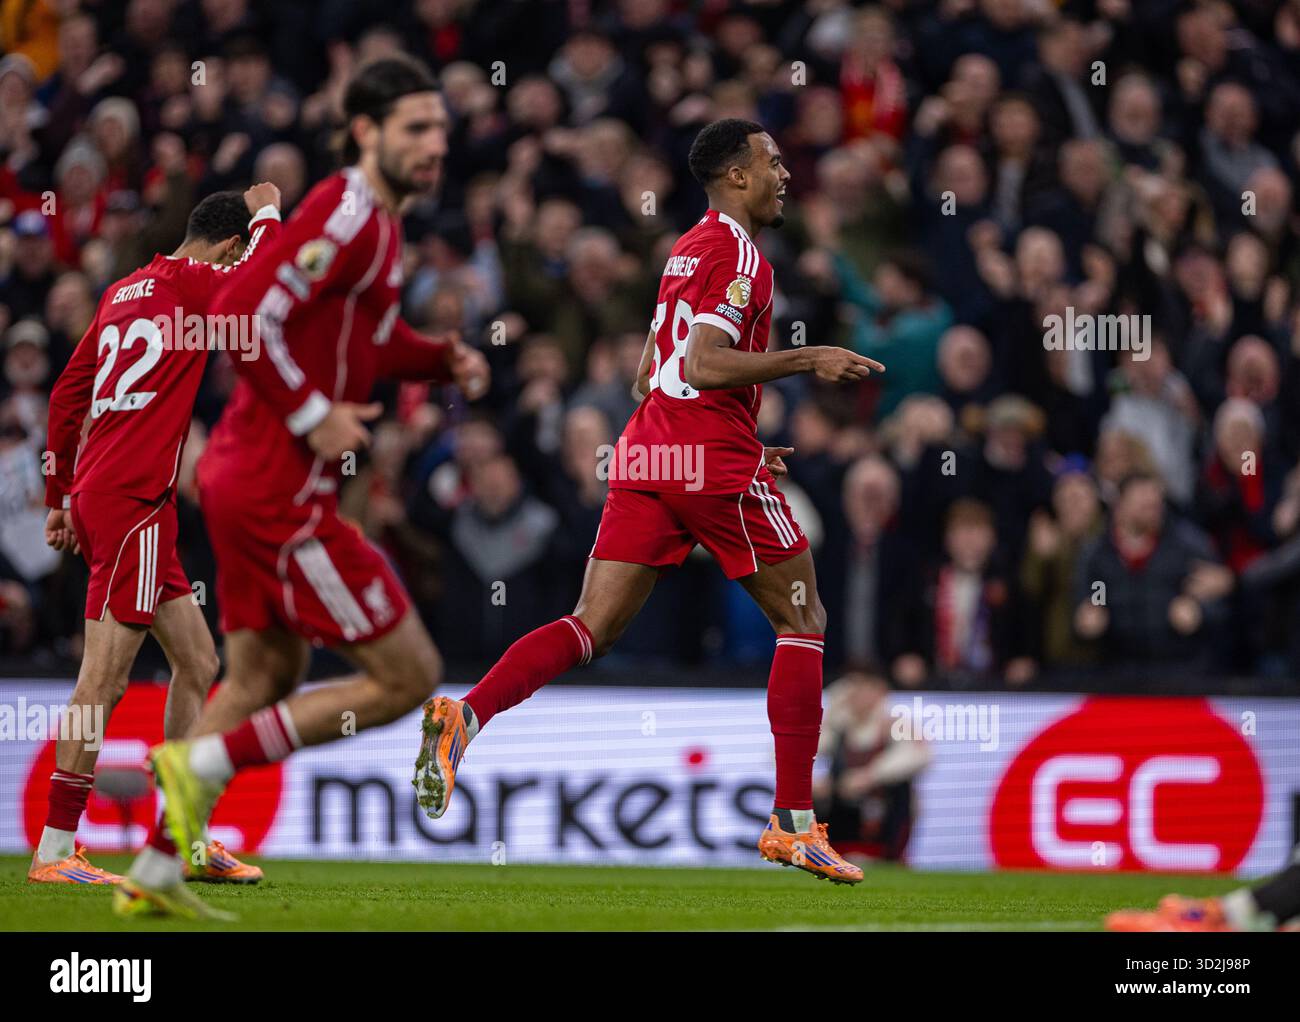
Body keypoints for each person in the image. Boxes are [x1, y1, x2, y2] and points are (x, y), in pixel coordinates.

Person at [412, 118, 885, 885]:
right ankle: (795, 823)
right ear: (736, 176)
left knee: (589, 625)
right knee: (803, 620)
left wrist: (725, 435)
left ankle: (463, 715)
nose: (785, 174)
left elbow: (647, 375)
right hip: (704, 456)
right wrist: (808, 358)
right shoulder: (738, 255)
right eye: (772, 160)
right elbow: (699, 363)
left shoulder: (684, 250)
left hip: (649, 450)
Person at [115, 55, 489, 920]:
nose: (436, 144)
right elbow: (240, 313)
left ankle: (159, 873)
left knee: (258, 681)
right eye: (415, 129)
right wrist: (315, 408)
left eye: (440, 127)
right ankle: (197, 767)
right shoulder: (347, 210)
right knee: (409, 674)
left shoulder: (384, 226)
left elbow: (362, 339)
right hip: (277, 489)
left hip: (254, 479)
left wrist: (436, 358)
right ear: (366, 133)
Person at [32, 184, 282, 885]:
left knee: (199, 662)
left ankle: (185, 839)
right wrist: (269, 213)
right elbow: (267, 281)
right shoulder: (202, 286)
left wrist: (59, 498)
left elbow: (65, 396)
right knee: (103, 681)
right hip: (137, 500)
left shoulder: (122, 291)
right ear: (229, 246)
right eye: (240, 248)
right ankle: (55, 847)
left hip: (107, 496)